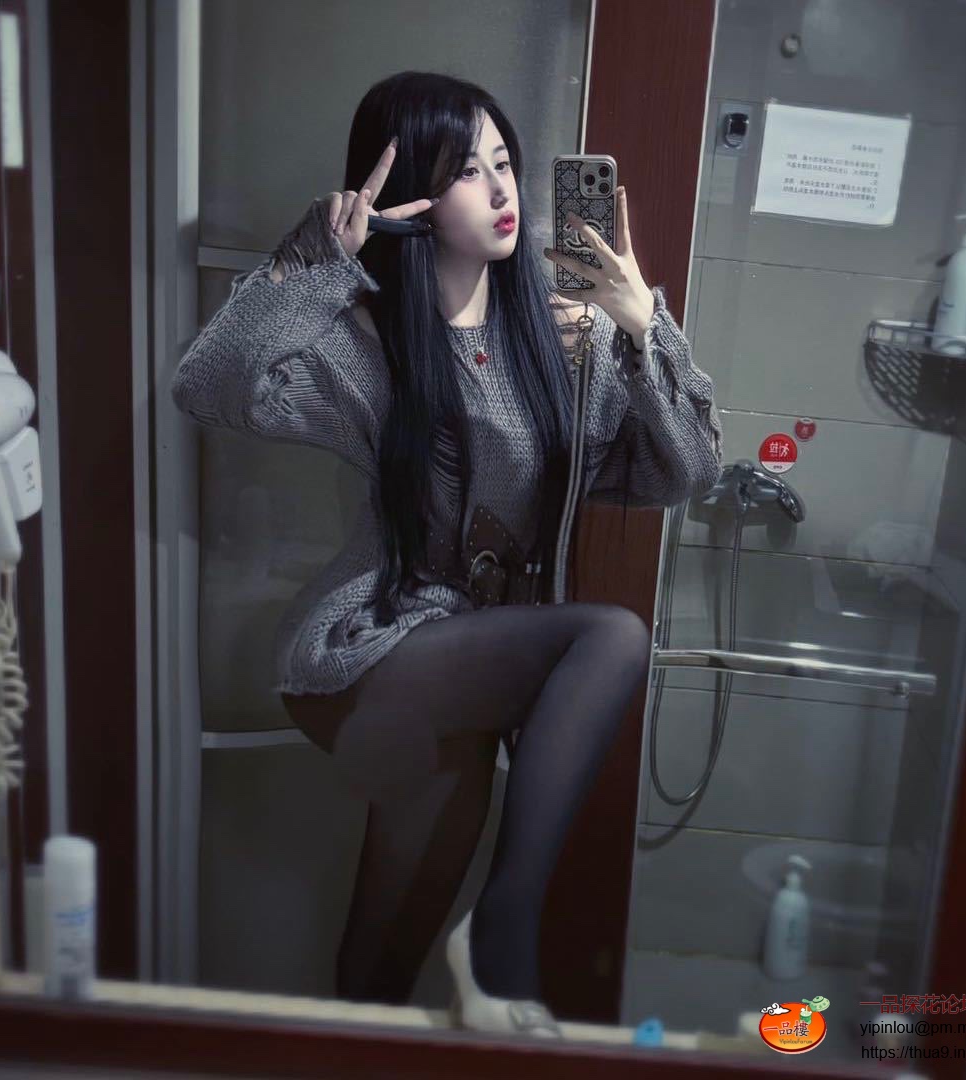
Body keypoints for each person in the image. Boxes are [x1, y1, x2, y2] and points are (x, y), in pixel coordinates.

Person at [171, 70, 723, 1038]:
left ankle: (372, 1035)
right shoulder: (365, 341)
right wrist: (315, 262)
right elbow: (210, 387)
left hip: (469, 685)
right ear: (412, 195)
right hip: (369, 654)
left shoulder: (567, 341)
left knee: (386, 947)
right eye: (467, 170)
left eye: (504, 161)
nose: (502, 188)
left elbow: (688, 470)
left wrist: (642, 327)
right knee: (610, 637)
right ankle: (504, 935)